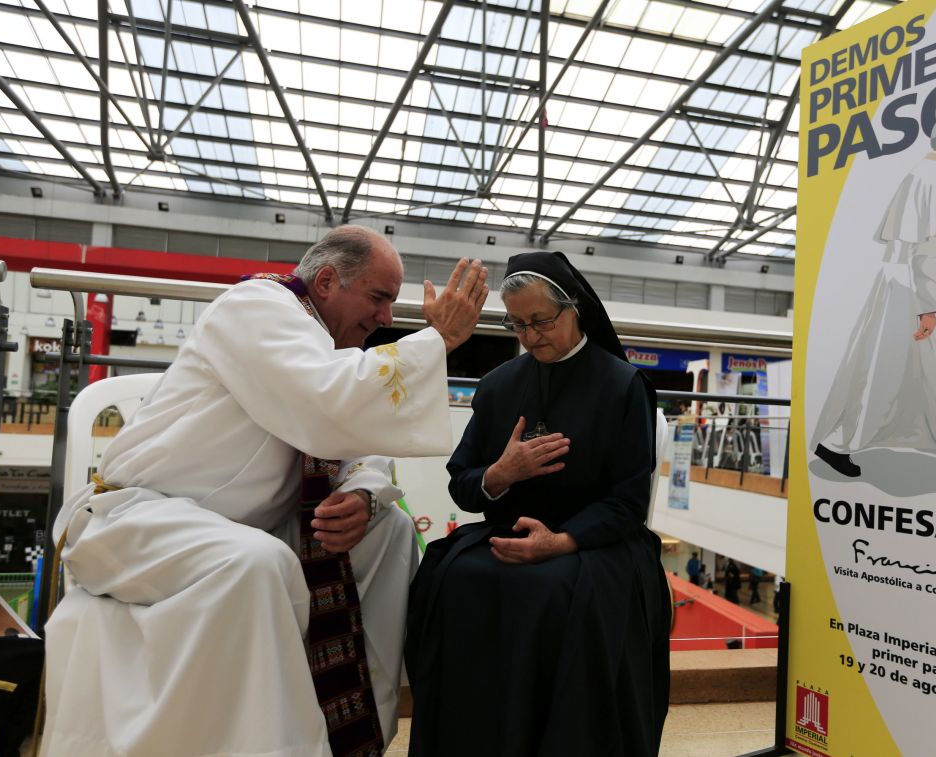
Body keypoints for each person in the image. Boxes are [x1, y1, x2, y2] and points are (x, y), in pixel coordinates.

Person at [42, 225, 488, 756]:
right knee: (256, 562)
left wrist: (363, 496)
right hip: (133, 518)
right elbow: (326, 404)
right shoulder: (256, 306)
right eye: (379, 297)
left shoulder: (319, 342)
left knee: (387, 531)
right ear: (326, 281)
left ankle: (356, 734)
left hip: (235, 526)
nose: (387, 318)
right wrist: (436, 340)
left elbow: (359, 442)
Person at [405, 251, 671, 757]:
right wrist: (501, 475)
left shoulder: (624, 386)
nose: (530, 336)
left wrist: (562, 541)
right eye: (518, 324)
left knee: (552, 592)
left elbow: (629, 500)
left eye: (542, 321)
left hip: (596, 543)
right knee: (450, 579)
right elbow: (462, 483)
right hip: (506, 532)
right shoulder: (498, 385)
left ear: (575, 311)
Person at [813, 110, 936, 487]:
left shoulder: (921, 175)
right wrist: (930, 307)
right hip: (929, 289)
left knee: (881, 370)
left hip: (906, 285)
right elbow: (932, 247)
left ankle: (838, 444)